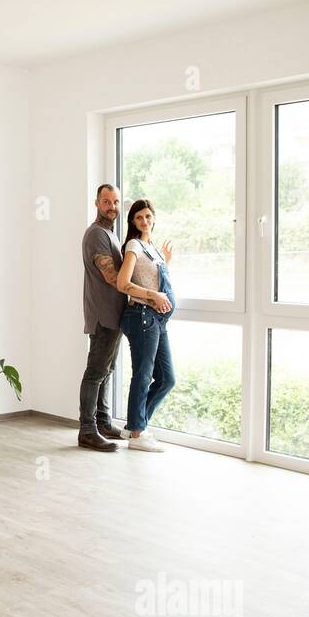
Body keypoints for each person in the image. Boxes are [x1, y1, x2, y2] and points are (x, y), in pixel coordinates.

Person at [79, 185, 172, 451]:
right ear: (97, 203)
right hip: (103, 313)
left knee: (106, 371)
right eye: (106, 201)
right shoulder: (97, 234)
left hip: (115, 314)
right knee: (95, 372)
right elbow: (113, 278)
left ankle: (104, 422)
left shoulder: (109, 234)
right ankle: (87, 430)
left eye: (116, 202)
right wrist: (139, 270)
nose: (112, 206)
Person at [116, 199, 177, 452]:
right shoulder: (134, 245)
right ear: (132, 221)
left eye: (149, 216)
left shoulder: (151, 247)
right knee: (143, 375)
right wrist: (154, 297)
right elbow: (123, 283)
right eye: (139, 217)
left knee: (167, 379)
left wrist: (167, 262)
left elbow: (152, 279)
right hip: (141, 316)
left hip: (156, 320)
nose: (145, 221)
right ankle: (138, 432)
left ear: (154, 218)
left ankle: (134, 427)